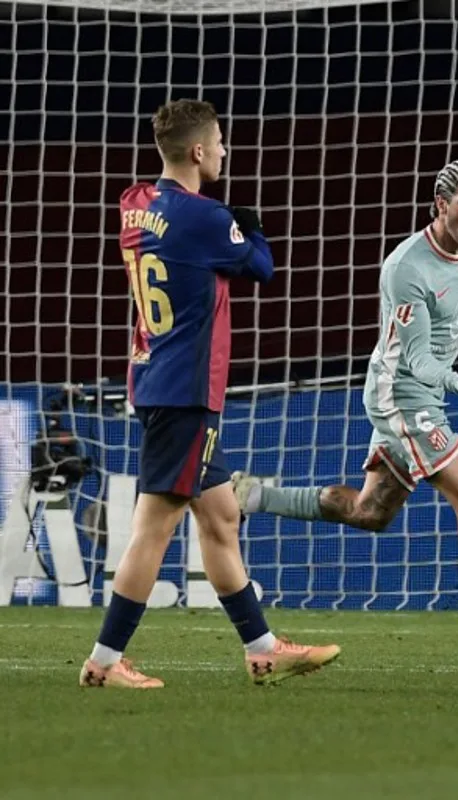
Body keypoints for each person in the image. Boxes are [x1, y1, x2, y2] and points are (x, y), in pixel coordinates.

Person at [232, 160, 458, 655]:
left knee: (370, 511)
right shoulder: (406, 267)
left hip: (428, 390)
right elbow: (417, 359)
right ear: (442, 206)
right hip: (400, 390)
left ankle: (249, 497)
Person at [80, 99, 340, 689]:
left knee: (221, 517)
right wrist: (247, 224)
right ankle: (102, 661)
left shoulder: (133, 203)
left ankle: (263, 648)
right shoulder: (202, 218)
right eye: (219, 142)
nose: (224, 151)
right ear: (198, 151)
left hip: (154, 375)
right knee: (156, 526)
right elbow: (264, 268)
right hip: (187, 390)